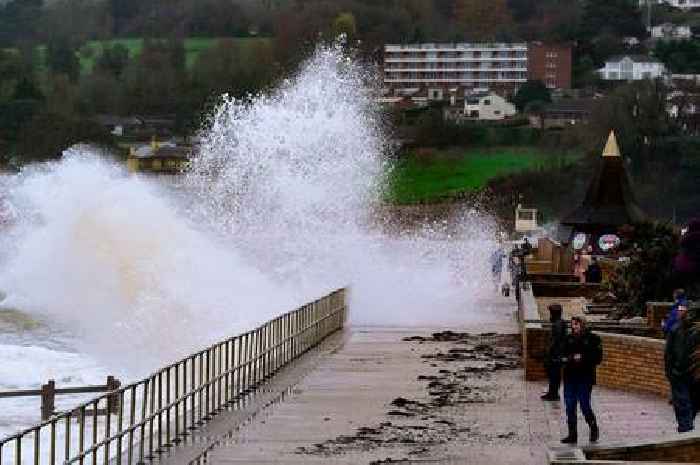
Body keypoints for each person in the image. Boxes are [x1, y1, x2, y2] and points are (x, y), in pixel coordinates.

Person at [561, 316, 603, 444]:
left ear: (583, 325)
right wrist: (567, 358)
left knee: (584, 405)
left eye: (577, 324)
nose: (574, 327)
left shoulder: (593, 339)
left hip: (585, 377)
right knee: (570, 406)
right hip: (570, 377)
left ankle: (593, 427)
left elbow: (598, 358)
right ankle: (572, 434)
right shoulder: (568, 339)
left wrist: (582, 358)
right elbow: (562, 354)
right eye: (573, 324)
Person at [665, 301, 696, 433]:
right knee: (682, 401)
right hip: (678, 373)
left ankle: (686, 425)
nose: (681, 313)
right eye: (680, 311)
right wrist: (670, 372)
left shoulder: (694, 331)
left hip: (691, 373)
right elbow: (669, 354)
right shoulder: (675, 330)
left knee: (689, 401)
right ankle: (685, 426)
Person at [542, 304, 567, 401]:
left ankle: (553, 394)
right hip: (557, 353)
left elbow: (556, 340)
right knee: (554, 375)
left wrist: (549, 351)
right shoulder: (560, 323)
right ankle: (552, 393)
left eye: (551, 313)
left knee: (554, 375)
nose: (550, 315)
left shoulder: (558, 325)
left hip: (556, 354)